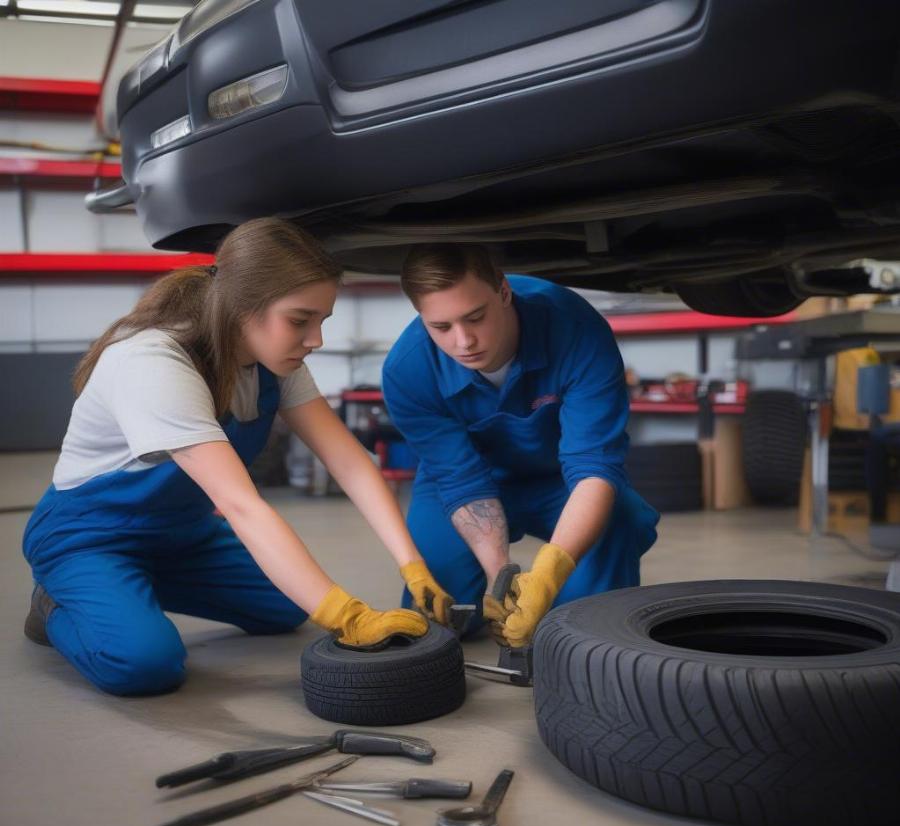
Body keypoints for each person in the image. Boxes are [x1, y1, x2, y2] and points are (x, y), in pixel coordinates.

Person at [22, 218, 451, 695]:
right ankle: (56, 603)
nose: (316, 340)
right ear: (243, 307)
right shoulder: (155, 364)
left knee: (287, 607)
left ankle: (127, 590)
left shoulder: (274, 362)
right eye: (299, 320)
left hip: (182, 537)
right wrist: (345, 616)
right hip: (89, 538)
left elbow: (348, 462)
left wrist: (411, 563)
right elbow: (243, 507)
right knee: (145, 664)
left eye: (321, 321)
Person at [382, 244, 659, 646]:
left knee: (586, 621)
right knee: (440, 614)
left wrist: (548, 575)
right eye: (441, 327)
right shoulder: (408, 369)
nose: (463, 342)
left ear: (505, 292)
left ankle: (577, 617)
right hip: (470, 478)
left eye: (475, 317)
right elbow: (461, 481)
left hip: (562, 478)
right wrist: (501, 580)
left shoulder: (576, 330)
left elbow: (594, 467)